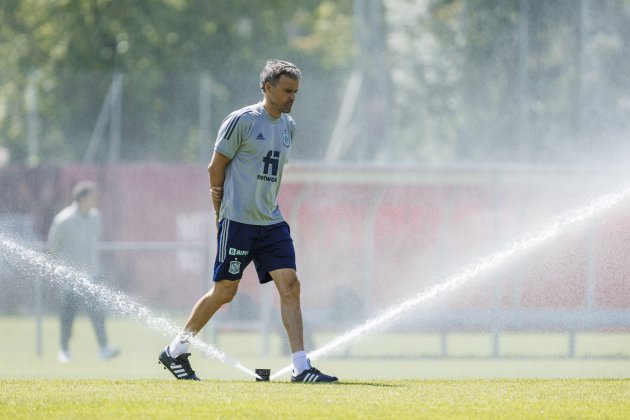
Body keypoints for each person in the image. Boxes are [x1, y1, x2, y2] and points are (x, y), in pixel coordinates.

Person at [159, 59, 337, 383]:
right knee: (225, 292)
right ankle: (176, 350)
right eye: (286, 91)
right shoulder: (241, 121)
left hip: (271, 221)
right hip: (238, 222)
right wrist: (220, 214)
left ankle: (301, 367)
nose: (292, 98)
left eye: (295, 92)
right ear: (267, 88)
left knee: (291, 286)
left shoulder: (289, 127)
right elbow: (215, 169)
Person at [47, 180, 119, 363]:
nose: (95, 200)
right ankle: (64, 351)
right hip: (70, 278)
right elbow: (52, 246)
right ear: (81, 198)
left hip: (92, 275)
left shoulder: (96, 217)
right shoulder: (64, 219)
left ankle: (104, 348)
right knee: (68, 315)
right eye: (91, 197)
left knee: (97, 313)